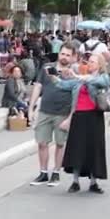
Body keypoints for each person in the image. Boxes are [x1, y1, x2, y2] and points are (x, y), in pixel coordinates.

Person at [53, 53, 110, 193]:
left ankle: (93, 182)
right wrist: (53, 77)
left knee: (93, 149)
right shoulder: (79, 80)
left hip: (94, 117)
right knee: (77, 149)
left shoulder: (102, 78)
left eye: (92, 62)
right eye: (89, 61)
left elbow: (100, 83)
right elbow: (63, 85)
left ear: (99, 65)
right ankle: (75, 181)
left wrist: (78, 76)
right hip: (79, 117)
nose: (89, 64)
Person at [28, 43, 77, 186]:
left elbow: (77, 95)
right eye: (63, 54)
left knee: (60, 144)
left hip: (63, 112)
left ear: (73, 57)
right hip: (45, 111)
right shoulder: (47, 68)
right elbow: (38, 87)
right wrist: (31, 108)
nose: (65, 57)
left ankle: (56, 173)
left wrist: (70, 117)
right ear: (59, 53)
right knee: (42, 142)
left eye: (68, 55)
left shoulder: (73, 73)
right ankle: (43, 173)